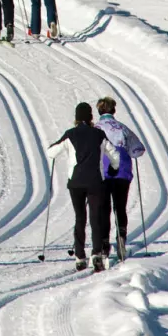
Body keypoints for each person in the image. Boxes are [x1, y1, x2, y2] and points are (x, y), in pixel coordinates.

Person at [48, 101, 110, 271]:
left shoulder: (70, 134)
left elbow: (51, 152)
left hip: (75, 183)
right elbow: (114, 154)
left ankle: (80, 256)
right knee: (95, 217)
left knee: (79, 217)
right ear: (91, 117)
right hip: (95, 181)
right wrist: (115, 167)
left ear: (76, 118)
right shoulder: (99, 134)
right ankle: (97, 253)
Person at [94, 96, 147, 261]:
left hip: (102, 171)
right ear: (113, 110)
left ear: (99, 111)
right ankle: (121, 238)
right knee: (120, 206)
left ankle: (103, 244)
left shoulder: (95, 128)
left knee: (104, 208)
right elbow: (138, 149)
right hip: (122, 171)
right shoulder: (123, 128)